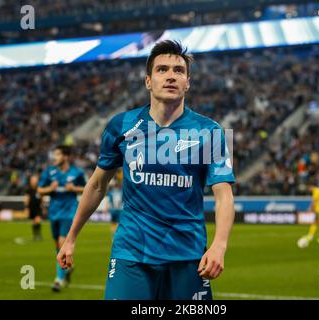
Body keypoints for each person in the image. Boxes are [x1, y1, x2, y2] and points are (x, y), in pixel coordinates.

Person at [57, 40, 235, 300]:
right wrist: (71, 237)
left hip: (188, 255)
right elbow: (97, 185)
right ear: (148, 81)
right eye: (162, 69)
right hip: (131, 253)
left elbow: (224, 194)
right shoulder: (121, 125)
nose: (171, 76)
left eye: (179, 71)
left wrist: (219, 245)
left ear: (188, 82)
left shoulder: (210, 131)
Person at [38, 145, 87, 292]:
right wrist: (50, 189)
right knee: (57, 246)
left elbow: (87, 188)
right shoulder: (50, 172)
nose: (55, 158)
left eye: (58, 155)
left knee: (61, 242)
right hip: (53, 213)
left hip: (69, 212)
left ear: (65, 156)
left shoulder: (76, 172)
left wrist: (75, 189)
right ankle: (67, 267)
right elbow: (39, 190)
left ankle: (58, 280)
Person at [25, 174, 43, 241]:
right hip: (31, 208)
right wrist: (26, 208)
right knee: (33, 222)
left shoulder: (39, 188)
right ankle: (35, 235)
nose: (34, 181)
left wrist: (43, 206)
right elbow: (27, 199)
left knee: (38, 221)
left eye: (35, 180)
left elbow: (42, 198)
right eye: (33, 180)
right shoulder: (29, 189)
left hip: (38, 208)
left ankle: (38, 235)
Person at [105, 173, 123, 241]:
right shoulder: (121, 191)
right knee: (118, 224)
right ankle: (117, 236)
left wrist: (107, 208)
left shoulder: (111, 192)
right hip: (119, 209)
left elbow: (109, 201)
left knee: (113, 223)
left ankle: (113, 237)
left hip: (113, 209)